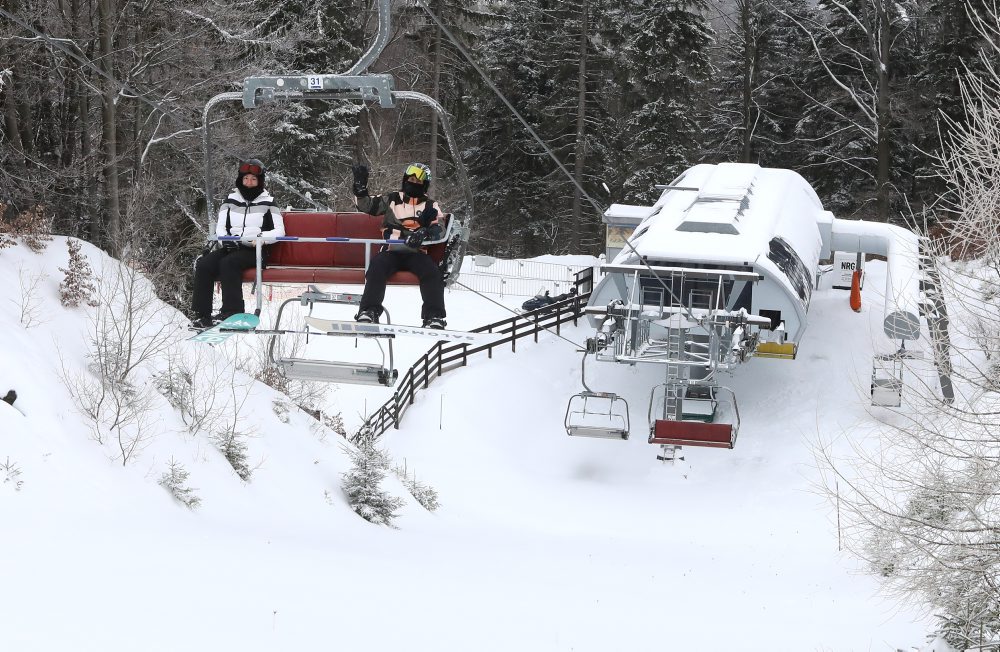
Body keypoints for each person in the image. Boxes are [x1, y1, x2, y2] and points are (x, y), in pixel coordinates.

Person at [351, 162, 447, 329]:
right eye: (411, 180)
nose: (413, 184)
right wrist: (360, 190)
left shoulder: (430, 205)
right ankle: (369, 311)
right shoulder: (392, 199)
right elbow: (367, 206)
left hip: (416, 253)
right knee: (376, 267)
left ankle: (434, 316)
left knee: (432, 272)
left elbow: (439, 228)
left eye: (418, 182)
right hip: (391, 250)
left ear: (424, 185)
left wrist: (425, 232)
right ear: (405, 180)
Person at [190, 159, 285, 329]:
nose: (249, 183)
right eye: (246, 179)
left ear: (260, 181)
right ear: (241, 179)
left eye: (253, 180)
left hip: (254, 251)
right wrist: (226, 239)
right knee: (204, 264)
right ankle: (200, 315)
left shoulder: (269, 202)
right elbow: (220, 227)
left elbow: (279, 232)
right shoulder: (230, 200)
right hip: (230, 247)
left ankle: (231, 311)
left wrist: (260, 238)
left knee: (229, 263)